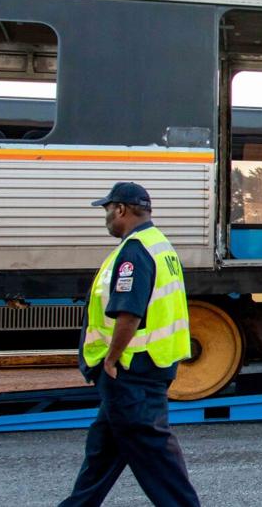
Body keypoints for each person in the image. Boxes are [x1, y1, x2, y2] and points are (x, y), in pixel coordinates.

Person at [60, 182, 201, 506]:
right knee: (102, 453)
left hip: (131, 371)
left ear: (121, 209)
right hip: (146, 367)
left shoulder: (135, 251)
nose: (106, 217)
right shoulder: (159, 244)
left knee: (157, 458)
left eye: (107, 210)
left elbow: (130, 312)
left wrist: (110, 359)